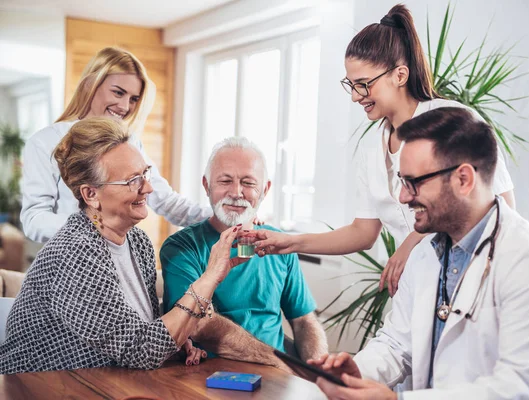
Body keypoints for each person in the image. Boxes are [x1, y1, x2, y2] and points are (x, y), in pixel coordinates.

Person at [307, 108, 529, 399]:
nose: (403, 197)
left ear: (463, 179)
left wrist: (395, 399)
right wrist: (357, 371)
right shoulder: (426, 253)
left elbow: (519, 390)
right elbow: (396, 344)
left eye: (413, 182)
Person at [251, 4, 516, 296]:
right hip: (415, 290)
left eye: (363, 85)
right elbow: (363, 232)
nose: (355, 97)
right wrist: (291, 243)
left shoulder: (454, 120)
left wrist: (410, 242)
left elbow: (502, 206)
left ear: (400, 75)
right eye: (350, 85)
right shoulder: (371, 148)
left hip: (472, 282)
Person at [0, 118, 290, 374]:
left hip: (104, 382)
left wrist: (179, 344)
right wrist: (211, 275)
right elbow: (140, 350)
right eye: (132, 180)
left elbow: (147, 330)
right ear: (91, 194)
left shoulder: (137, 241)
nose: (148, 188)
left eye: (145, 174)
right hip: (36, 386)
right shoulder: (74, 253)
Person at [160, 137, 328, 361]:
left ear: (265, 189)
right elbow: (199, 324)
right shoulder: (181, 247)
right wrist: (279, 363)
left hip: (278, 381)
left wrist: (319, 374)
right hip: (207, 380)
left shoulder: (280, 246)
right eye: (225, 181)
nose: (237, 192)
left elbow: (304, 321)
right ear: (206, 186)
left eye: (248, 183)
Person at [20, 47, 212, 243]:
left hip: (116, 260)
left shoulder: (130, 143)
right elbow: (34, 219)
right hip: (66, 263)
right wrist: (98, 228)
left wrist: (220, 220)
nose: (125, 107)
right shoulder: (45, 141)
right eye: (118, 93)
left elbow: (166, 201)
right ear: (90, 85)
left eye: (133, 99)